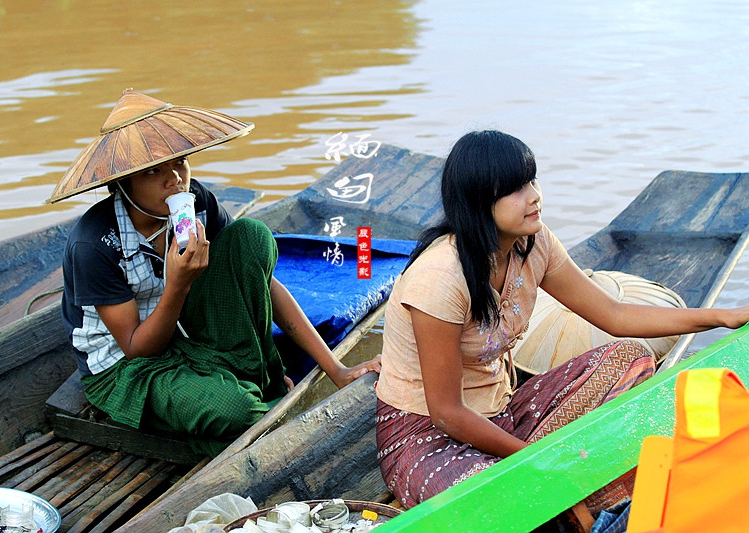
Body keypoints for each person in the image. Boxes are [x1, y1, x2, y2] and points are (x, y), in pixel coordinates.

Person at [374, 130, 749, 509]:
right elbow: (447, 413)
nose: (535, 195)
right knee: (506, 500)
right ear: (479, 201)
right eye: (517, 188)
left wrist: (721, 317)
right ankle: (563, 481)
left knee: (629, 357)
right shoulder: (439, 278)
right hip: (427, 436)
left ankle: (561, 478)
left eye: (532, 181)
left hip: (502, 413)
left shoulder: (532, 243)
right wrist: (536, 461)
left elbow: (615, 315)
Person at [49, 89, 380, 457]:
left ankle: (258, 388)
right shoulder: (95, 244)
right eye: (154, 171)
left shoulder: (198, 203)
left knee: (250, 236)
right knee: (233, 410)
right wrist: (177, 284)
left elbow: (263, 284)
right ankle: (253, 405)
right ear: (123, 184)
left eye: (180, 161)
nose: (175, 179)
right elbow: (136, 349)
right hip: (128, 367)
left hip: (183, 331)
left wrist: (337, 369)